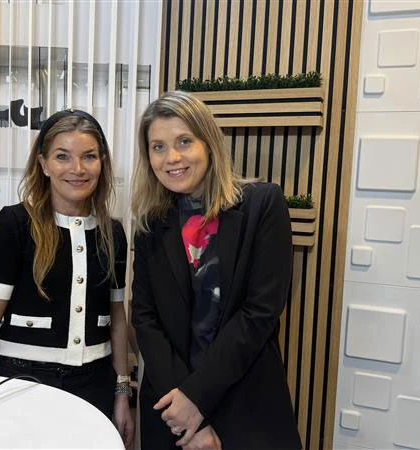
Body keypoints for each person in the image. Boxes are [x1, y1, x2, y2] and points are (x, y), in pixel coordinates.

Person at [131, 91, 302, 450]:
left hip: (246, 404)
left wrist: (196, 400)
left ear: (208, 143)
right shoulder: (151, 224)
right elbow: (145, 319)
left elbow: (259, 313)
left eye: (184, 141)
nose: (171, 157)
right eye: (158, 147)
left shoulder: (262, 205)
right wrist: (184, 415)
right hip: (170, 409)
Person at [0, 109, 134, 447]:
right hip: (21, 383)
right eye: (63, 156)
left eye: (89, 156)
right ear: (43, 164)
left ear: (102, 163)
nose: (78, 168)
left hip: (95, 385)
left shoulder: (113, 233)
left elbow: (117, 320)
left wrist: (121, 393)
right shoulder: (16, 225)